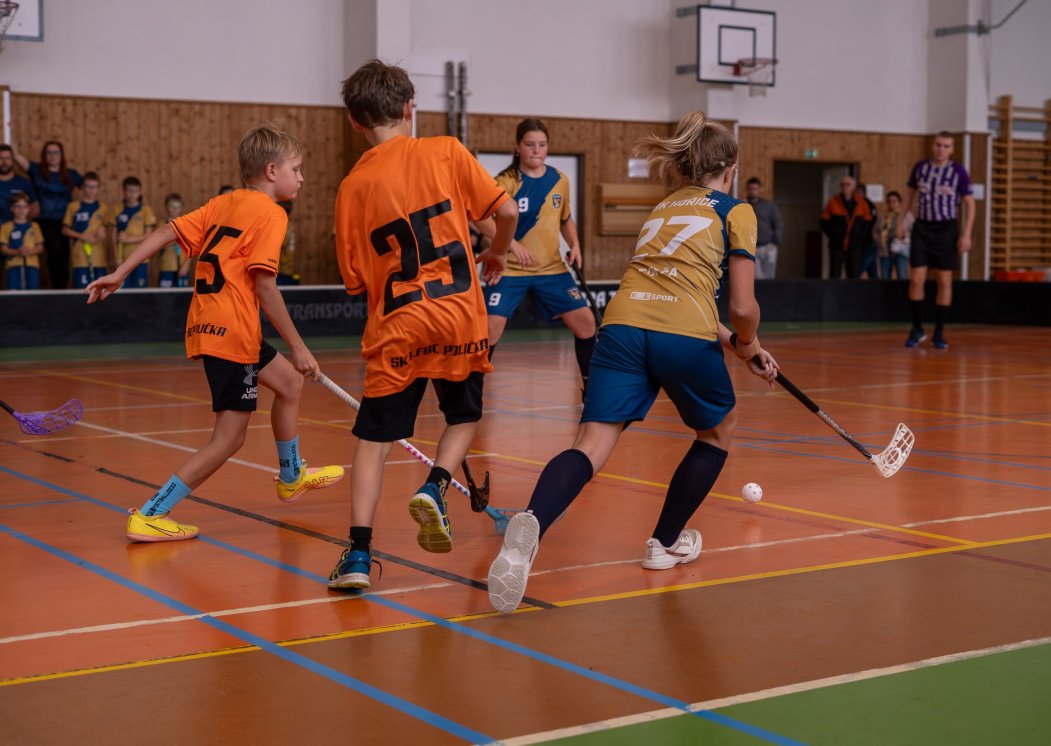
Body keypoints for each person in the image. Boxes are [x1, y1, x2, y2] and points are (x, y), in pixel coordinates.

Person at [486, 112, 780, 614]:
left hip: (621, 326)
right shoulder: (737, 211)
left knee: (591, 444)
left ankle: (531, 522)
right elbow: (742, 305)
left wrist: (734, 342)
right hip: (681, 334)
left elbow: (672, 291)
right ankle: (664, 542)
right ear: (730, 168)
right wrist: (748, 342)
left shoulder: (663, 207)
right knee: (718, 429)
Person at [86, 124, 344, 543]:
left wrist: (121, 271)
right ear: (271, 170)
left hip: (213, 324)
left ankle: (291, 475)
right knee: (229, 439)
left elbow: (167, 232)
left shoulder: (224, 203)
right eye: (296, 169)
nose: (301, 178)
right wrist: (299, 347)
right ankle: (152, 512)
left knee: (289, 383)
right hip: (232, 331)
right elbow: (265, 286)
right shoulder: (272, 214)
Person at [326, 59, 518, 591]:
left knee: (374, 441)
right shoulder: (447, 151)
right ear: (410, 107)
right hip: (458, 318)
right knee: (464, 416)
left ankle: (358, 554)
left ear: (354, 121)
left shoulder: (352, 186)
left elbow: (354, 281)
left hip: (397, 326)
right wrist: (498, 253)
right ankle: (435, 485)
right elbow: (505, 215)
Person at [473, 118, 598, 395]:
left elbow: (565, 219)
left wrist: (575, 244)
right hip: (508, 269)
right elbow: (479, 218)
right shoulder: (504, 182)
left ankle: (592, 393)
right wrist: (512, 244)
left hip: (551, 269)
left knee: (586, 323)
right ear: (518, 146)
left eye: (542, 145)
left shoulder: (559, 179)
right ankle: (470, 396)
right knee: (490, 329)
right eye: (530, 145)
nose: (536, 150)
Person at [898, 131, 975, 349]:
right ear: (933, 146)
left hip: (946, 229)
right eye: (938, 145)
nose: (941, 149)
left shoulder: (958, 171)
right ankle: (917, 329)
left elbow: (970, 204)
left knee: (944, 281)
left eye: (946, 146)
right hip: (922, 228)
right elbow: (909, 195)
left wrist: (966, 234)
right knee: (916, 280)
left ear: (952, 149)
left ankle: (939, 332)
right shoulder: (920, 167)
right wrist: (900, 222)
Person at [11, 140, 81, 289]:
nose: (53, 156)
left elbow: (89, 185)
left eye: (56, 152)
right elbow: (16, 156)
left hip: (65, 223)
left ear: (61, 155)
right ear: (44, 155)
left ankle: (61, 289)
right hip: (45, 221)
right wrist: (8, 131)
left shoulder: (71, 174)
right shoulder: (37, 170)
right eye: (49, 152)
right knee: (54, 253)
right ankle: (56, 288)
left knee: (64, 255)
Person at [819, 175, 873, 279]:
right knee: (834, 275)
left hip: (854, 246)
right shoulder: (833, 201)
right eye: (842, 184)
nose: (844, 186)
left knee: (853, 276)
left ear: (853, 187)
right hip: (837, 246)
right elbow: (823, 222)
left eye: (848, 184)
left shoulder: (862, 202)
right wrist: (833, 235)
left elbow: (868, 222)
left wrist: (860, 236)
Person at [62, 172, 110, 289]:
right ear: (83, 187)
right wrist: (83, 236)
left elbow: (106, 230)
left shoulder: (103, 207)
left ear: (98, 188)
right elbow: (65, 230)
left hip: (99, 258)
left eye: (94, 187)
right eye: (88, 186)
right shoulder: (73, 206)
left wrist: (101, 234)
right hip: (79, 257)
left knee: (100, 292)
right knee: (82, 291)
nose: (91, 190)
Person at [109, 176, 158, 288]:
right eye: (130, 190)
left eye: (135, 191)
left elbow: (149, 235)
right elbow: (113, 237)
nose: (132, 194)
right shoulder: (116, 209)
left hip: (141, 259)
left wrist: (128, 239)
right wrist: (116, 258)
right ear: (124, 191)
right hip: (123, 260)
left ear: (140, 192)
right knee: (123, 293)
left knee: (140, 292)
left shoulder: (146, 210)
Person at [0, 192, 45, 289]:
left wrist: (29, 251)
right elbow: (3, 249)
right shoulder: (6, 227)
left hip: (32, 264)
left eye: (24, 207)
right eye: (18, 207)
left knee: (32, 291)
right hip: (13, 265)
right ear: (12, 208)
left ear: (29, 208)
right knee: (13, 291)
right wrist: (17, 251)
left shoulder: (34, 226)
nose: (21, 210)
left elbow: (40, 247)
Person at [745, 176, 782, 279]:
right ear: (747, 189)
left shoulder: (769, 206)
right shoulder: (742, 206)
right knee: (756, 278)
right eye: (750, 189)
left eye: (755, 189)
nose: (753, 191)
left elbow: (777, 223)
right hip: (752, 247)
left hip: (769, 246)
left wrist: (775, 242)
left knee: (769, 277)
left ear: (759, 189)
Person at [877, 190, 912, 280]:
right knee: (885, 277)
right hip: (885, 251)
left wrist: (906, 238)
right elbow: (875, 232)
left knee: (902, 275)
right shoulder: (883, 216)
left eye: (894, 201)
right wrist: (879, 241)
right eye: (889, 201)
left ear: (899, 202)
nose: (891, 203)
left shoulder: (906, 215)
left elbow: (914, 231)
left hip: (901, 250)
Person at [0, 144, 39, 225]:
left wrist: (21, 224)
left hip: (16, 230)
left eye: (8, 158)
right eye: (1, 158)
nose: (4, 162)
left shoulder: (23, 183)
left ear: (12, 160)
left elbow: (36, 209)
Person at [156, 193, 187, 288]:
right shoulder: (161, 225)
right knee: (165, 295)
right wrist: (176, 238)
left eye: (177, 206)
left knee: (183, 296)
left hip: (182, 266)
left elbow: (191, 247)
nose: (174, 209)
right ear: (166, 206)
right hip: (166, 267)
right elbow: (158, 245)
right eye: (172, 206)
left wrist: (185, 266)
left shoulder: (185, 224)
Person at [855, 183, 879, 279]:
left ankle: (851, 288)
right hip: (868, 243)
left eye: (856, 192)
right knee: (872, 272)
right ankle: (876, 288)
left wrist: (858, 238)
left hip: (867, 243)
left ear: (862, 192)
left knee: (857, 271)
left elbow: (870, 224)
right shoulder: (859, 204)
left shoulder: (868, 205)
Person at [276, 200, 299, 285]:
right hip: (283, 268)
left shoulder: (285, 224)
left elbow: (281, 243)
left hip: (284, 268)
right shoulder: (287, 223)